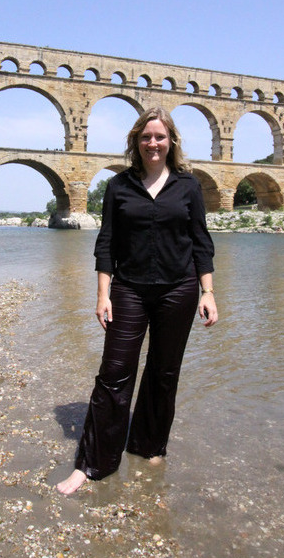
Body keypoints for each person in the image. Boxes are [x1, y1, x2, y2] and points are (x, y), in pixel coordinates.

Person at [57, 107, 218, 495]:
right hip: (128, 289)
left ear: (171, 142)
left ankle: (148, 444)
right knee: (113, 374)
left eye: (160, 137)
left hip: (178, 290)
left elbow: (201, 242)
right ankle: (92, 463)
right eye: (146, 137)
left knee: (164, 374)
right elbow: (106, 243)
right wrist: (102, 295)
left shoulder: (189, 186)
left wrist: (208, 291)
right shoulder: (119, 186)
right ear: (136, 142)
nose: (153, 143)